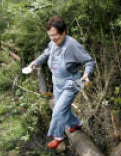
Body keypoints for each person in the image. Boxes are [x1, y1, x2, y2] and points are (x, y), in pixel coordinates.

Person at [26, 16, 95, 149]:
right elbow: (46, 54)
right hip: (57, 82)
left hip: (74, 82)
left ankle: (58, 136)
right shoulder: (52, 44)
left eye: (56, 36)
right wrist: (35, 63)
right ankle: (75, 124)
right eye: (50, 36)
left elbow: (89, 61)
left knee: (58, 110)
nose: (53, 39)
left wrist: (86, 74)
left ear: (64, 32)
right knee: (63, 106)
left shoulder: (72, 45)